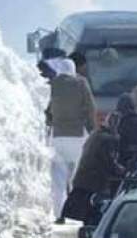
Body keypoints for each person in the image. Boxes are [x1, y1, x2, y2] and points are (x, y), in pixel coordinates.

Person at [45, 57, 97, 222]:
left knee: (59, 178)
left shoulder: (53, 85)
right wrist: (92, 129)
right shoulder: (81, 83)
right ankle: (74, 213)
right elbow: (90, 107)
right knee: (75, 176)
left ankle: (58, 214)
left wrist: (51, 122)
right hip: (77, 135)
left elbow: (48, 110)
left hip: (58, 136)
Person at [61, 113, 125, 225]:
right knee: (91, 204)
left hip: (82, 175)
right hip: (94, 178)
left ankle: (67, 217)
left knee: (76, 199)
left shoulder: (96, 134)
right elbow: (108, 160)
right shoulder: (108, 139)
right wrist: (121, 170)